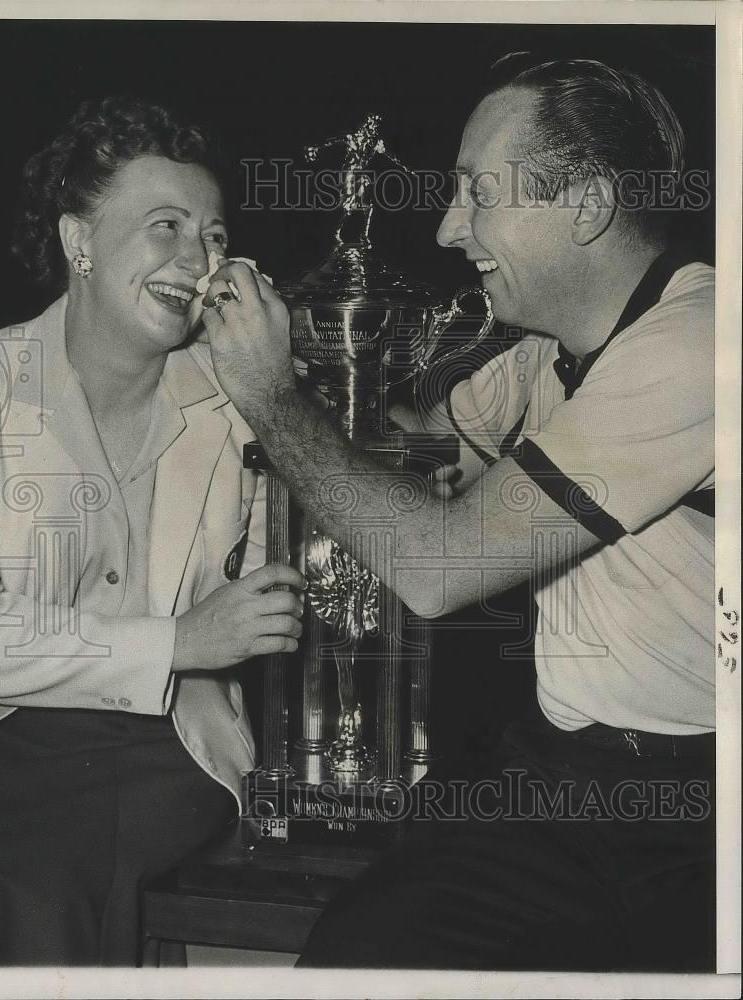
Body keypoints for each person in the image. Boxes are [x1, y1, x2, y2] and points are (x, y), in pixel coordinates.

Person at [197, 55, 715, 970]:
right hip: (555, 787)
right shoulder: (538, 356)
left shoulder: (701, 342)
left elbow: (436, 567)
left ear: (587, 204)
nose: (446, 230)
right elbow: (405, 476)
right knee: (354, 957)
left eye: (479, 193)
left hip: (702, 811)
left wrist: (274, 397)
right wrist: (317, 365)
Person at [0, 95, 305, 966]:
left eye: (212, 234)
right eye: (163, 226)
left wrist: (280, 395)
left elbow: (366, 459)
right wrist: (178, 639)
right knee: (12, 882)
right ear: (77, 242)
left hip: (172, 743)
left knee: (52, 878)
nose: (197, 259)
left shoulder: (237, 396)